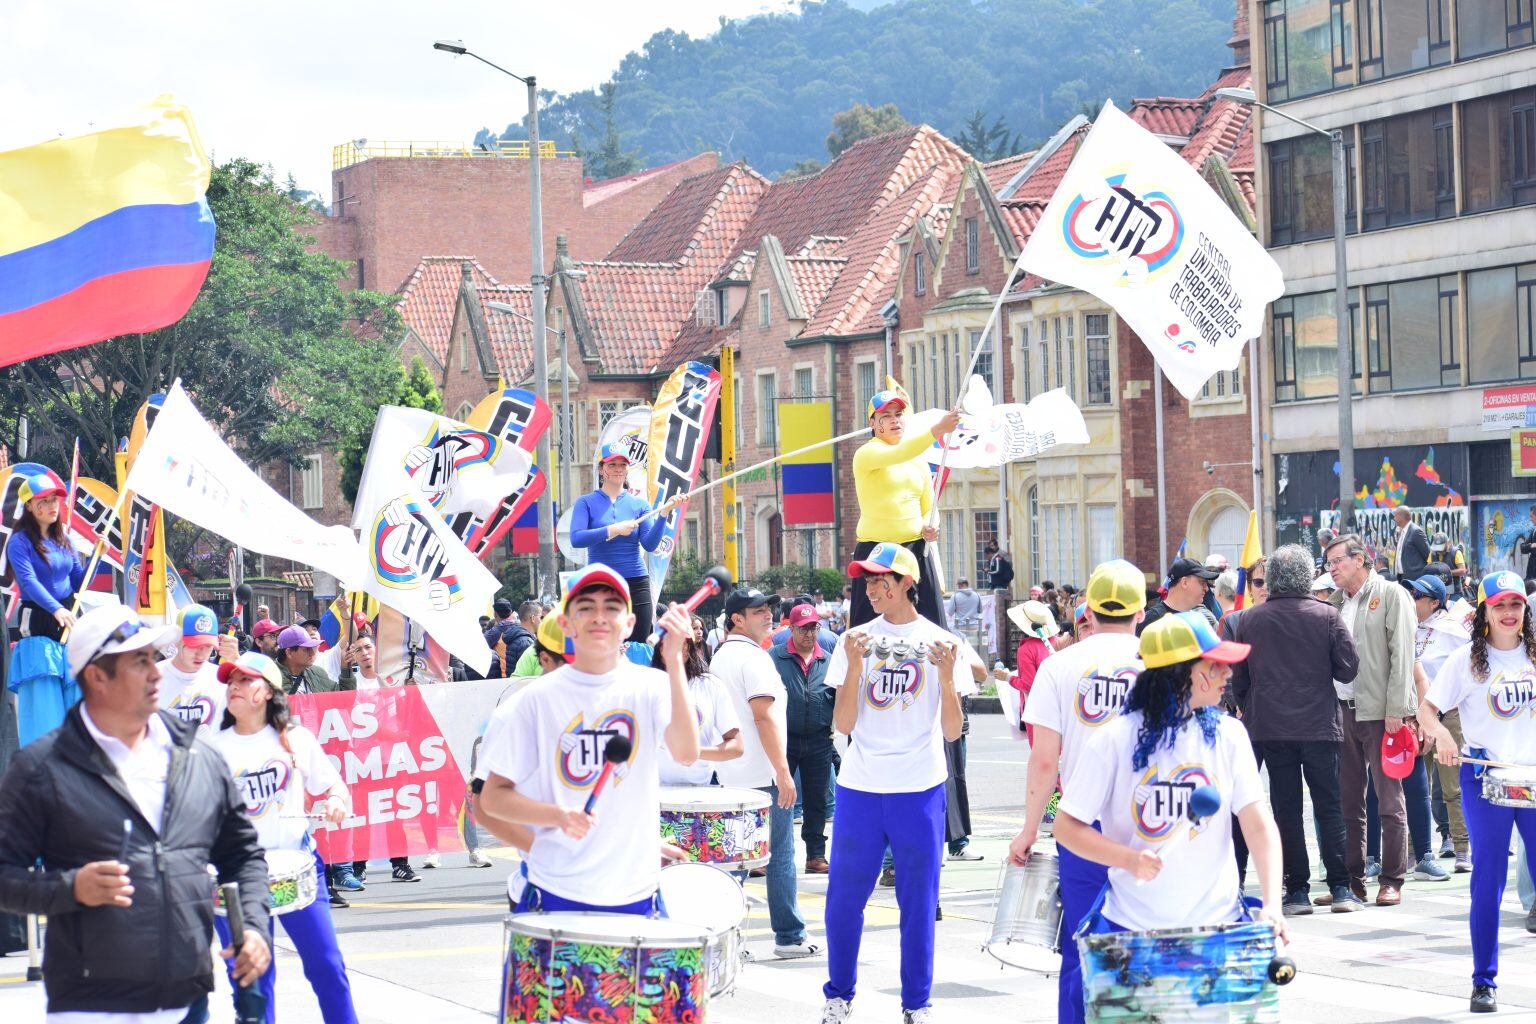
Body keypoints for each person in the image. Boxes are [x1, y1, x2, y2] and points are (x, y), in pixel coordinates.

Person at [0, 603, 272, 1019]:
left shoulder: (198, 757)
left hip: (187, 1002)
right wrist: (70, 889)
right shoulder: (41, 767)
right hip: (90, 1006)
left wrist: (252, 926)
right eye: (139, 661)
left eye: (152, 657)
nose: (156, 673)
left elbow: (243, 856)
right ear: (97, 677)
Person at [1053, 612, 1287, 1021]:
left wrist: (1271, 904)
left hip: (1218, 930)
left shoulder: (1230, 735)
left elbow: (1257, 823)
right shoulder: (1113, 740)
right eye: (1215, 665)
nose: (1227, 673)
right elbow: (1066, 827)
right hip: (1133, 933)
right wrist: (1127, 859)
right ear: (1184, 673)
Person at [477, 566, 699, 914]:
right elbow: (491, 799)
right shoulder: (535, 700)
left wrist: (673, 661)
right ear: (566, 624)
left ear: (629, 624)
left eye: (611, 607)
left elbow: (686, 752)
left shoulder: (653, 686)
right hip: (556, 891)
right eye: (585, 607)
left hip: (637, 892)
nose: (599, 616)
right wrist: (559, 816)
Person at [820, 543, 964, 1024]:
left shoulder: (941, 642)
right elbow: (843, 724)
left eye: (880, 580)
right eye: (866, 581)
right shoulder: (854, 640)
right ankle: (839, 995)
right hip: (860, 787)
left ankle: (916, 1004)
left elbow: (951, 732)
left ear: (906, 583)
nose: (870, 589)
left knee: (918, 903)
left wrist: (947, 679)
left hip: (919, 788)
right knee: (844, 901)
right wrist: (854, 667)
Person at [1008, 559, 1147, 1023]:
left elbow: (1044, 759)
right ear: (1140, 611)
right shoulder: (1162, 663)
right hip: (1150, 821)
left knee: (1082, 941)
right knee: (1148, 940)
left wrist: (1029, 829)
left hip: (1081, 823)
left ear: (1087, 610)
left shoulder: (1059, 666)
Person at [210, 651, 359, 1024]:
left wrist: (336, 802)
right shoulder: (212, 748)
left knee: (328, 967)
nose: (234, 687)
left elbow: (335, 787)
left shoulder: (296, 739)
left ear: (267, 691)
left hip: (296, 868)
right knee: (253, 982)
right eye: (231, 681)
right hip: (237, 877)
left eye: (245, 680)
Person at [1418, 571, 1536, 1014]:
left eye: (1515, 604)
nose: (1508, 613)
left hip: (1532, 778)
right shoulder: (1466, 660)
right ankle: (1483, 981)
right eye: (1499, 604)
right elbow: (1427, 710)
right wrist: (1442, 737)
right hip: (1486, 780)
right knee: (1489, 877)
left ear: (1525, 610)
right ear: (1484, 611)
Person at [1228, 545, 1359, 912]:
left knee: (1285, 809)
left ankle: (1297, 889)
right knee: (1329, 806)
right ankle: (1341, 888)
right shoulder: (1327, 615)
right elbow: (1348, 669)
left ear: (1271, 579)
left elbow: (1240, 680)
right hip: (1318, 723)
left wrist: (1253, 703)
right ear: (1306, 577)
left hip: (1270, 725)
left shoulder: (1249, 620)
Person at [713, 585, 819, 957]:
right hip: (762, 776)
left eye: (768, 609)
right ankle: (789, 936)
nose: (768, 615)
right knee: (779, 856)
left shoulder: (721, 656)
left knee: (734, 861)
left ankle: (724, 936)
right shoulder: (753, 658)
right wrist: (783, 772)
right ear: (737, 619)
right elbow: (763, 717)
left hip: (731, 773)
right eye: (758, 611)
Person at [1325, 533, 1417, 907]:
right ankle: (1352, 880)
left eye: (1337, 561)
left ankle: (1392, 879)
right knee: (1349, 801)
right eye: (1328, 563)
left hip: (1381, 713)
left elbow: (1402, 655)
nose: (1332, 569)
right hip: (1341, 711)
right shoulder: (1333, 603)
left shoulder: (1391, 594)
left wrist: (1397, 709)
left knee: (1389, 800)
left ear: (1360, 559)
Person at [847, 381, 960, 628]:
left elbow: (930, 506)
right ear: (873, 424)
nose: (894, 420)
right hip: (876, 551)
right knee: (867, 631)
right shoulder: (866, 453)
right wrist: (938, 430)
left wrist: (931, 525)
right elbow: (899, 453)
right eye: (886, 416)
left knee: (933, 627)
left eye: (898, 414)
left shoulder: (918, 460)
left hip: (915, 549)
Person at [568, 444, 684, 641]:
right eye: (612, 464)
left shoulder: (639, 504)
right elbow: (576, 538)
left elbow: (650, 544)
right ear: (601, 469)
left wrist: (664, 513)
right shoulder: (585, 502)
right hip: (601, 581)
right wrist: (613, 529)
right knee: (604, 641)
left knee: (638, 643)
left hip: (636, 582)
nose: (618, 469)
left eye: (623, 464)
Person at [5, 466, 85, 747]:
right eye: (45, 501)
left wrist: (95, 557)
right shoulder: (19, 542)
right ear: (29, 506)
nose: (53, 506)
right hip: (40, 624)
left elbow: (79, 580)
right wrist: (55, 609)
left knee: (78, 706)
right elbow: (28, 581)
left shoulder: (65, 539)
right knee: (45, 715)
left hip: (70, 624)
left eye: (55, 500)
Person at [1408, 574, 1472, 873]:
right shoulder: (1406, 628)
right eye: (1411, 593)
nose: (1412, 599)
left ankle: (1462, 849)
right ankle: (1414, 851)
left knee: (1452, 787)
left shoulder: (1454, 630)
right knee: (1415, 787)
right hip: (1415, 717)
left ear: (1435, 602)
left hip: (1448, 716)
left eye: (1418, 596)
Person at [772, 603, 836, 873]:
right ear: (791, 629)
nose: (809, 634)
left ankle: (815, 855)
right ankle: (773, 853)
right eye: (803, 629)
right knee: (779, 796)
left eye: (814, 628)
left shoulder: (828, 660)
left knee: (817, 799)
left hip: (819, 739)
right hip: (784, 738)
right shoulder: (774, 658)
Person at [654, 627, 743, 785]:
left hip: (701, 788)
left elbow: (737, 747)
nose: (678, 648)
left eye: (684, 643)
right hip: (655, 789)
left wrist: (694, 753)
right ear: (659, 648)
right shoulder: (646, 686)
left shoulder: (710, 685)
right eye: (670, 642)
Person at [157, 603, 236, 736]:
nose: (201, 654)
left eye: (208, 646)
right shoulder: (153, 677)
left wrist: (238, 664)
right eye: (194, 645)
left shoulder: (221, 678)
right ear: (176, 639)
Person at [1139, 557, 1220, 634]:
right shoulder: (1152, 619)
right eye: (1202, 582)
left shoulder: (1199, 619)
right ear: (1184, 582)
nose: (1206, 588)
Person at [276, 624, 346, 695]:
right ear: (289, 652)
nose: (312, 653)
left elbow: (343, 695)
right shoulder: (271, 677)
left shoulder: (317, 673)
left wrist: (346, 668)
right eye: (306, 649)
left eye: (311, 648)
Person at [1394, 508, 1431, 581]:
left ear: (1402, 516)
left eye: (1395, 516)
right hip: (1402, 577)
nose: (1394, 518)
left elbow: (1427, 555)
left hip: (1414, 578)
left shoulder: (1415, 531)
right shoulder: (1402, 531)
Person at [1433, 531, 1469, 597]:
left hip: (1454, 592)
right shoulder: (1433, 554)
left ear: (1447, 543)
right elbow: (1428, 568)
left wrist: (1446, 573)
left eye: (1441, 547)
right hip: (1437, 591)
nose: (1439, 551)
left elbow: (1462, 570)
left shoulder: (1455, 552)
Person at [1516, 506, 1536, 582]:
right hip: (1531, 574)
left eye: (1532, 516)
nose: (1530, 519)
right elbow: (1523, 548)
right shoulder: (1534, 531)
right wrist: (1531, 545)